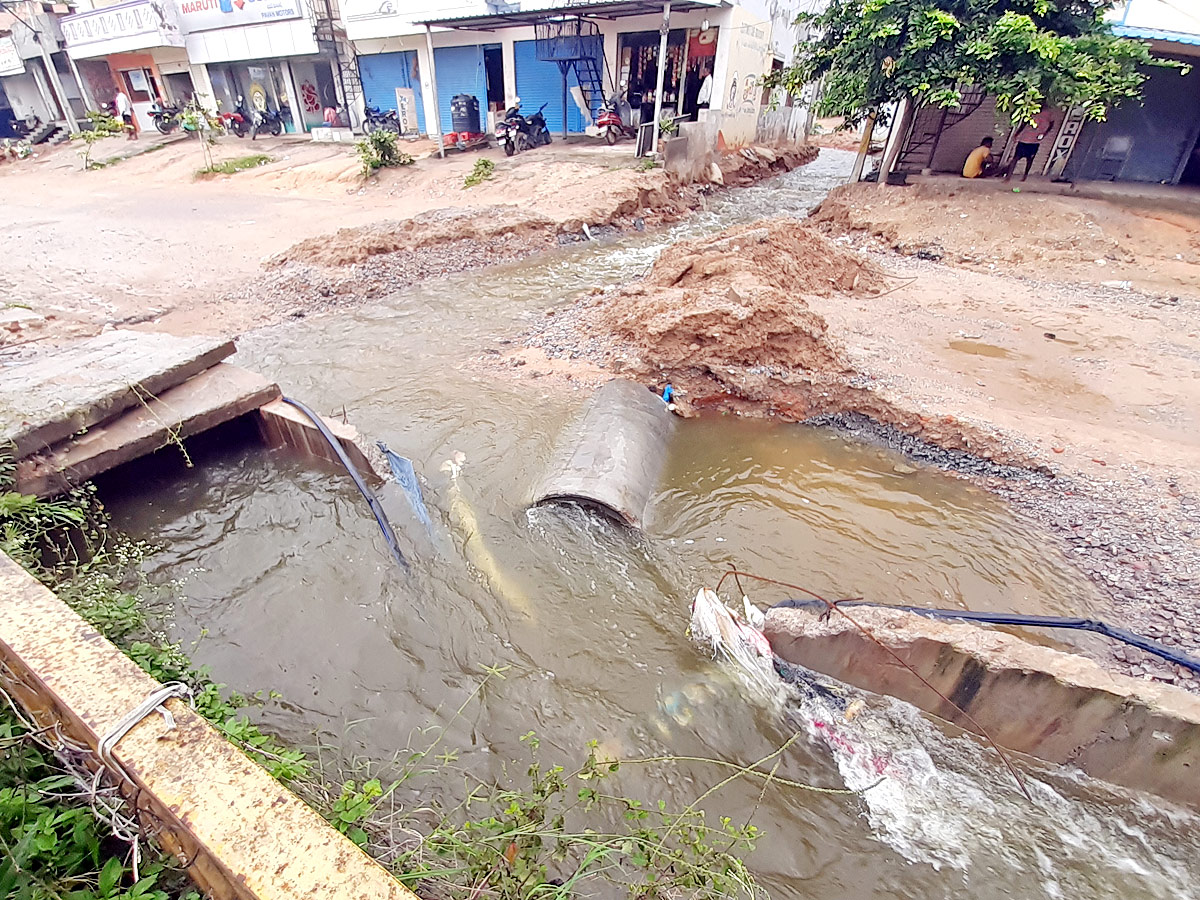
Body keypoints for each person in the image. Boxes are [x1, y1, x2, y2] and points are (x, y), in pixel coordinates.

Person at [1005, 109, 1055, 182]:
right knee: (1015, 159)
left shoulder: (1048, 113)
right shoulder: (1032, 111)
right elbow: (1023, 124)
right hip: (1024, 139)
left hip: (1034, 142)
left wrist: (1044, 133)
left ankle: (1024, 176)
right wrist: (1017, 134)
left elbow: (1051, 124)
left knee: (1029, 160)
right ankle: (1008, 177)